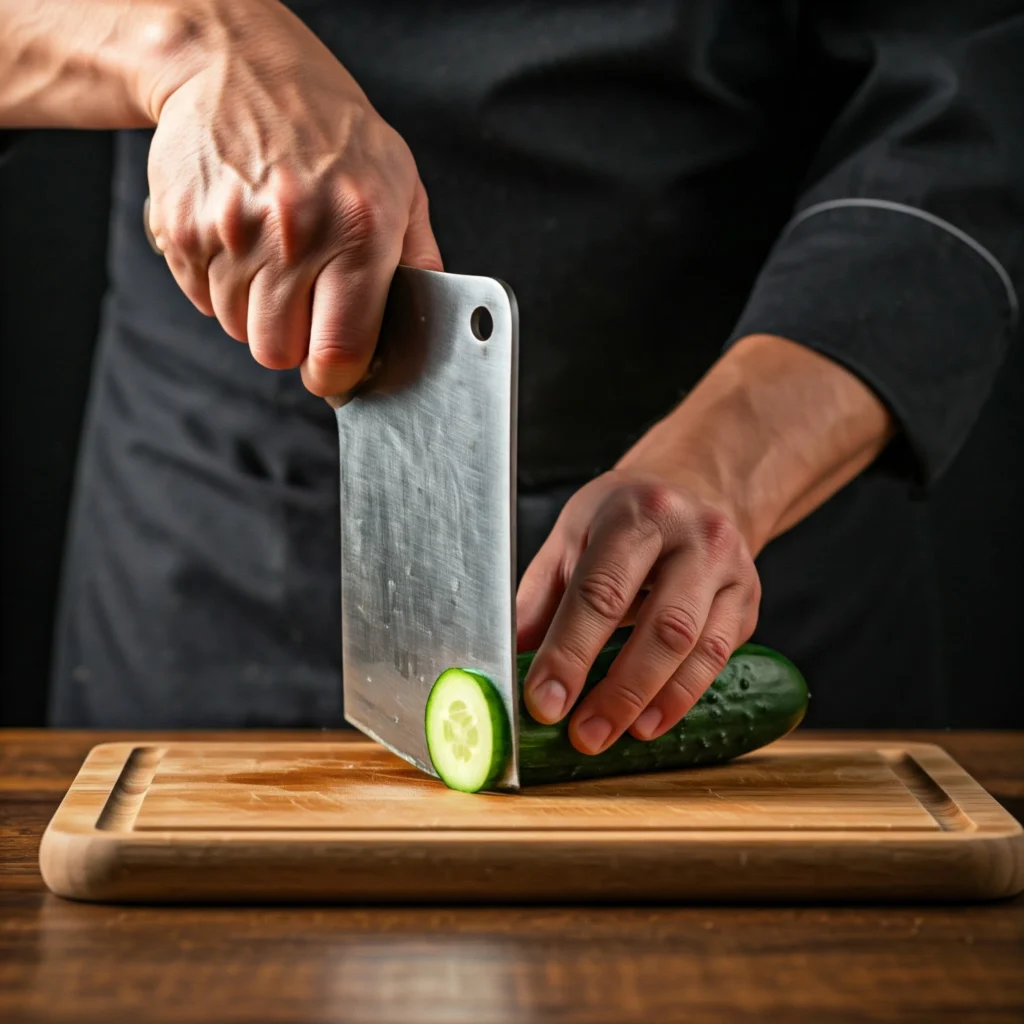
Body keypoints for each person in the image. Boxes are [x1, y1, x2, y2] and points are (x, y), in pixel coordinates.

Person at [1, 1, 1020, 749]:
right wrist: (182, 39)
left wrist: (729, 469)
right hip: (228, 530)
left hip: (749, 520)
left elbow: (972, 91)